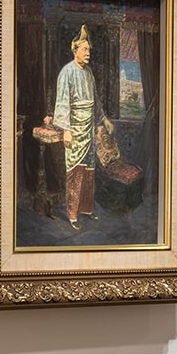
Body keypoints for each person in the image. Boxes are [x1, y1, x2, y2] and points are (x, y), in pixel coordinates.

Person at [42, 24, 113, 227]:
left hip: (88, 130)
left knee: (89, 170)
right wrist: (66, 130)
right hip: (74, 129)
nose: (88, 53)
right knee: (75, 171)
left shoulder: (89, 72)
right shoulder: (66, 72)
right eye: (85, 49)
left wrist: (104, 118)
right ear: (75, 51)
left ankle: (86, 209)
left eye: (89, 49)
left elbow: (95, 100)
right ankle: (72, 214)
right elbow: (62, 103)